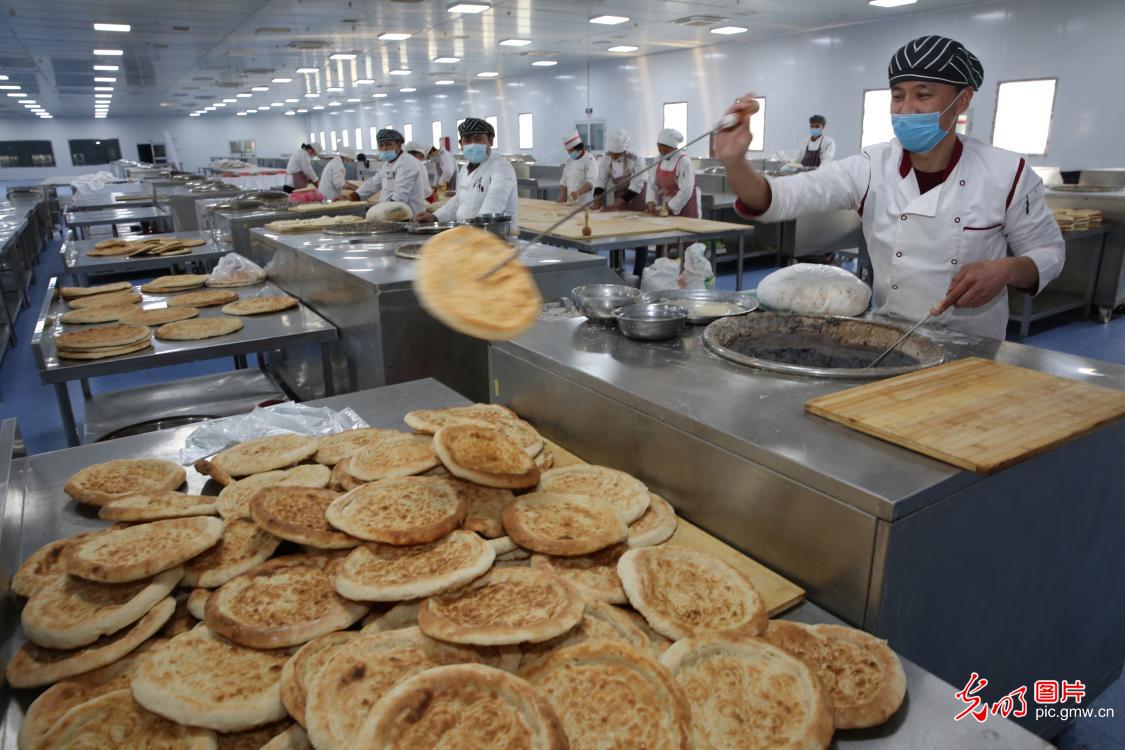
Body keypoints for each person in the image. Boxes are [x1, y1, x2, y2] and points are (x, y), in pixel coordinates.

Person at [715, 35, 1064, 340]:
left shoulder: (1006, 173)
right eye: (898, 96)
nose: (907, 109)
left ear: (963, 100)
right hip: (888, 337)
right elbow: (780, 198)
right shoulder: (870, 167)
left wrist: (1006, 270)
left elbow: (1049, 252)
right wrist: (735, 162)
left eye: (923, 95)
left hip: (972, 346)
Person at [416, 117, 518, 226]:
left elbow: (493, 204)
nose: (472, 144)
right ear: (461, 144)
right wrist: (435, 217)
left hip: (494, 237)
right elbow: (458, 200)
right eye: (467, 140)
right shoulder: (465, 168)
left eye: (478, 139)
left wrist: (475, 229)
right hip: (466, 233)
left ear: (491, 141)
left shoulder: (501, 167)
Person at [340, 129, 429, 215]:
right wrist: (352, 197)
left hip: (408, 215)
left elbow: (400, 196)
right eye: (381, 145)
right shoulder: (386, 165)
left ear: (398, 145)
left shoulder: (407, 163)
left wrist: (381, 212)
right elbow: (373, 184)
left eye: (388, 144)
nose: (384, 148)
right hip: (392, 213)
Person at [645, 128, 699, 218]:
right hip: (667, 205)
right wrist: (651, 202)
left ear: (674, 147)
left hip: (685, 206)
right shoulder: (658, 159)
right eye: (659, 145)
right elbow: (651, 184)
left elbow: (686, 191)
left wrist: (670, 207)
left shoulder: (683, 161)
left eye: (665, 146)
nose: (661, 148)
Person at [592, 129, 646, 211]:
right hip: (620, 195)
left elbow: (635, 186)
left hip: (636, 195)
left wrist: (614, 205)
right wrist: (596, 200)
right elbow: (600, 181)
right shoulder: (606, 159)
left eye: (617, 154)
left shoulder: (636, 159)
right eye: (611, 153)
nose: (613, 156)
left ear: (625, 151)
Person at [557, 132, 598, 205]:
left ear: (579, 148)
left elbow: (590, 182)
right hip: (570, 203)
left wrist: (578, 192)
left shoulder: (590, 160)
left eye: (571, 151)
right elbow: (563, 181)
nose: (569, 153)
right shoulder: (569, 161)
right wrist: (562, 195)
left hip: (585, 204)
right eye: (568, 151)